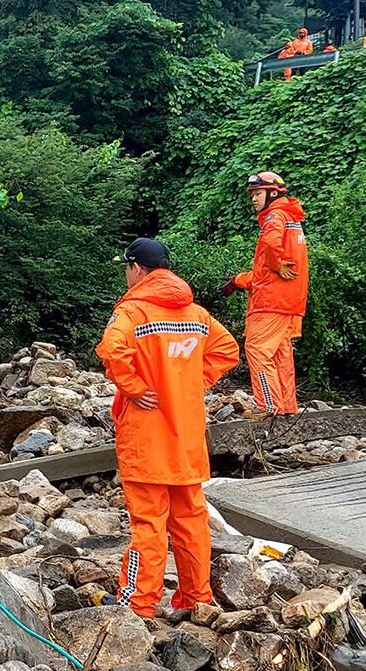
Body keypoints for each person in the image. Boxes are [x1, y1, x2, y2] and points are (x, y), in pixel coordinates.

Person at [96, 238, 239, 619]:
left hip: (147, 436)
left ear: (137, 269)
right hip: (187, 438)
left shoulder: (132, 312)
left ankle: (139, 602)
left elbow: (112, 350)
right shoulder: (195, 312)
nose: (125, 274)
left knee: (148, 523)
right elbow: (228, 350)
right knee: (192, 519)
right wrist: (192, 382)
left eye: (125, 267)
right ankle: (197, 598)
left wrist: (135, 388)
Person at [220, 172, 308, 418]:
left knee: (257, 349)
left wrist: (276, 262)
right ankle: (286, 406)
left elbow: (271, 247)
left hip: (270, 301)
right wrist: (239, 280)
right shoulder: (291, 217)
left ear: (273, 193)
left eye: (257, 194)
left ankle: (268, 405)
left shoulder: (275, 216)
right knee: (280, 354)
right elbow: (265, 273)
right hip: (286, 301)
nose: (253, 199)